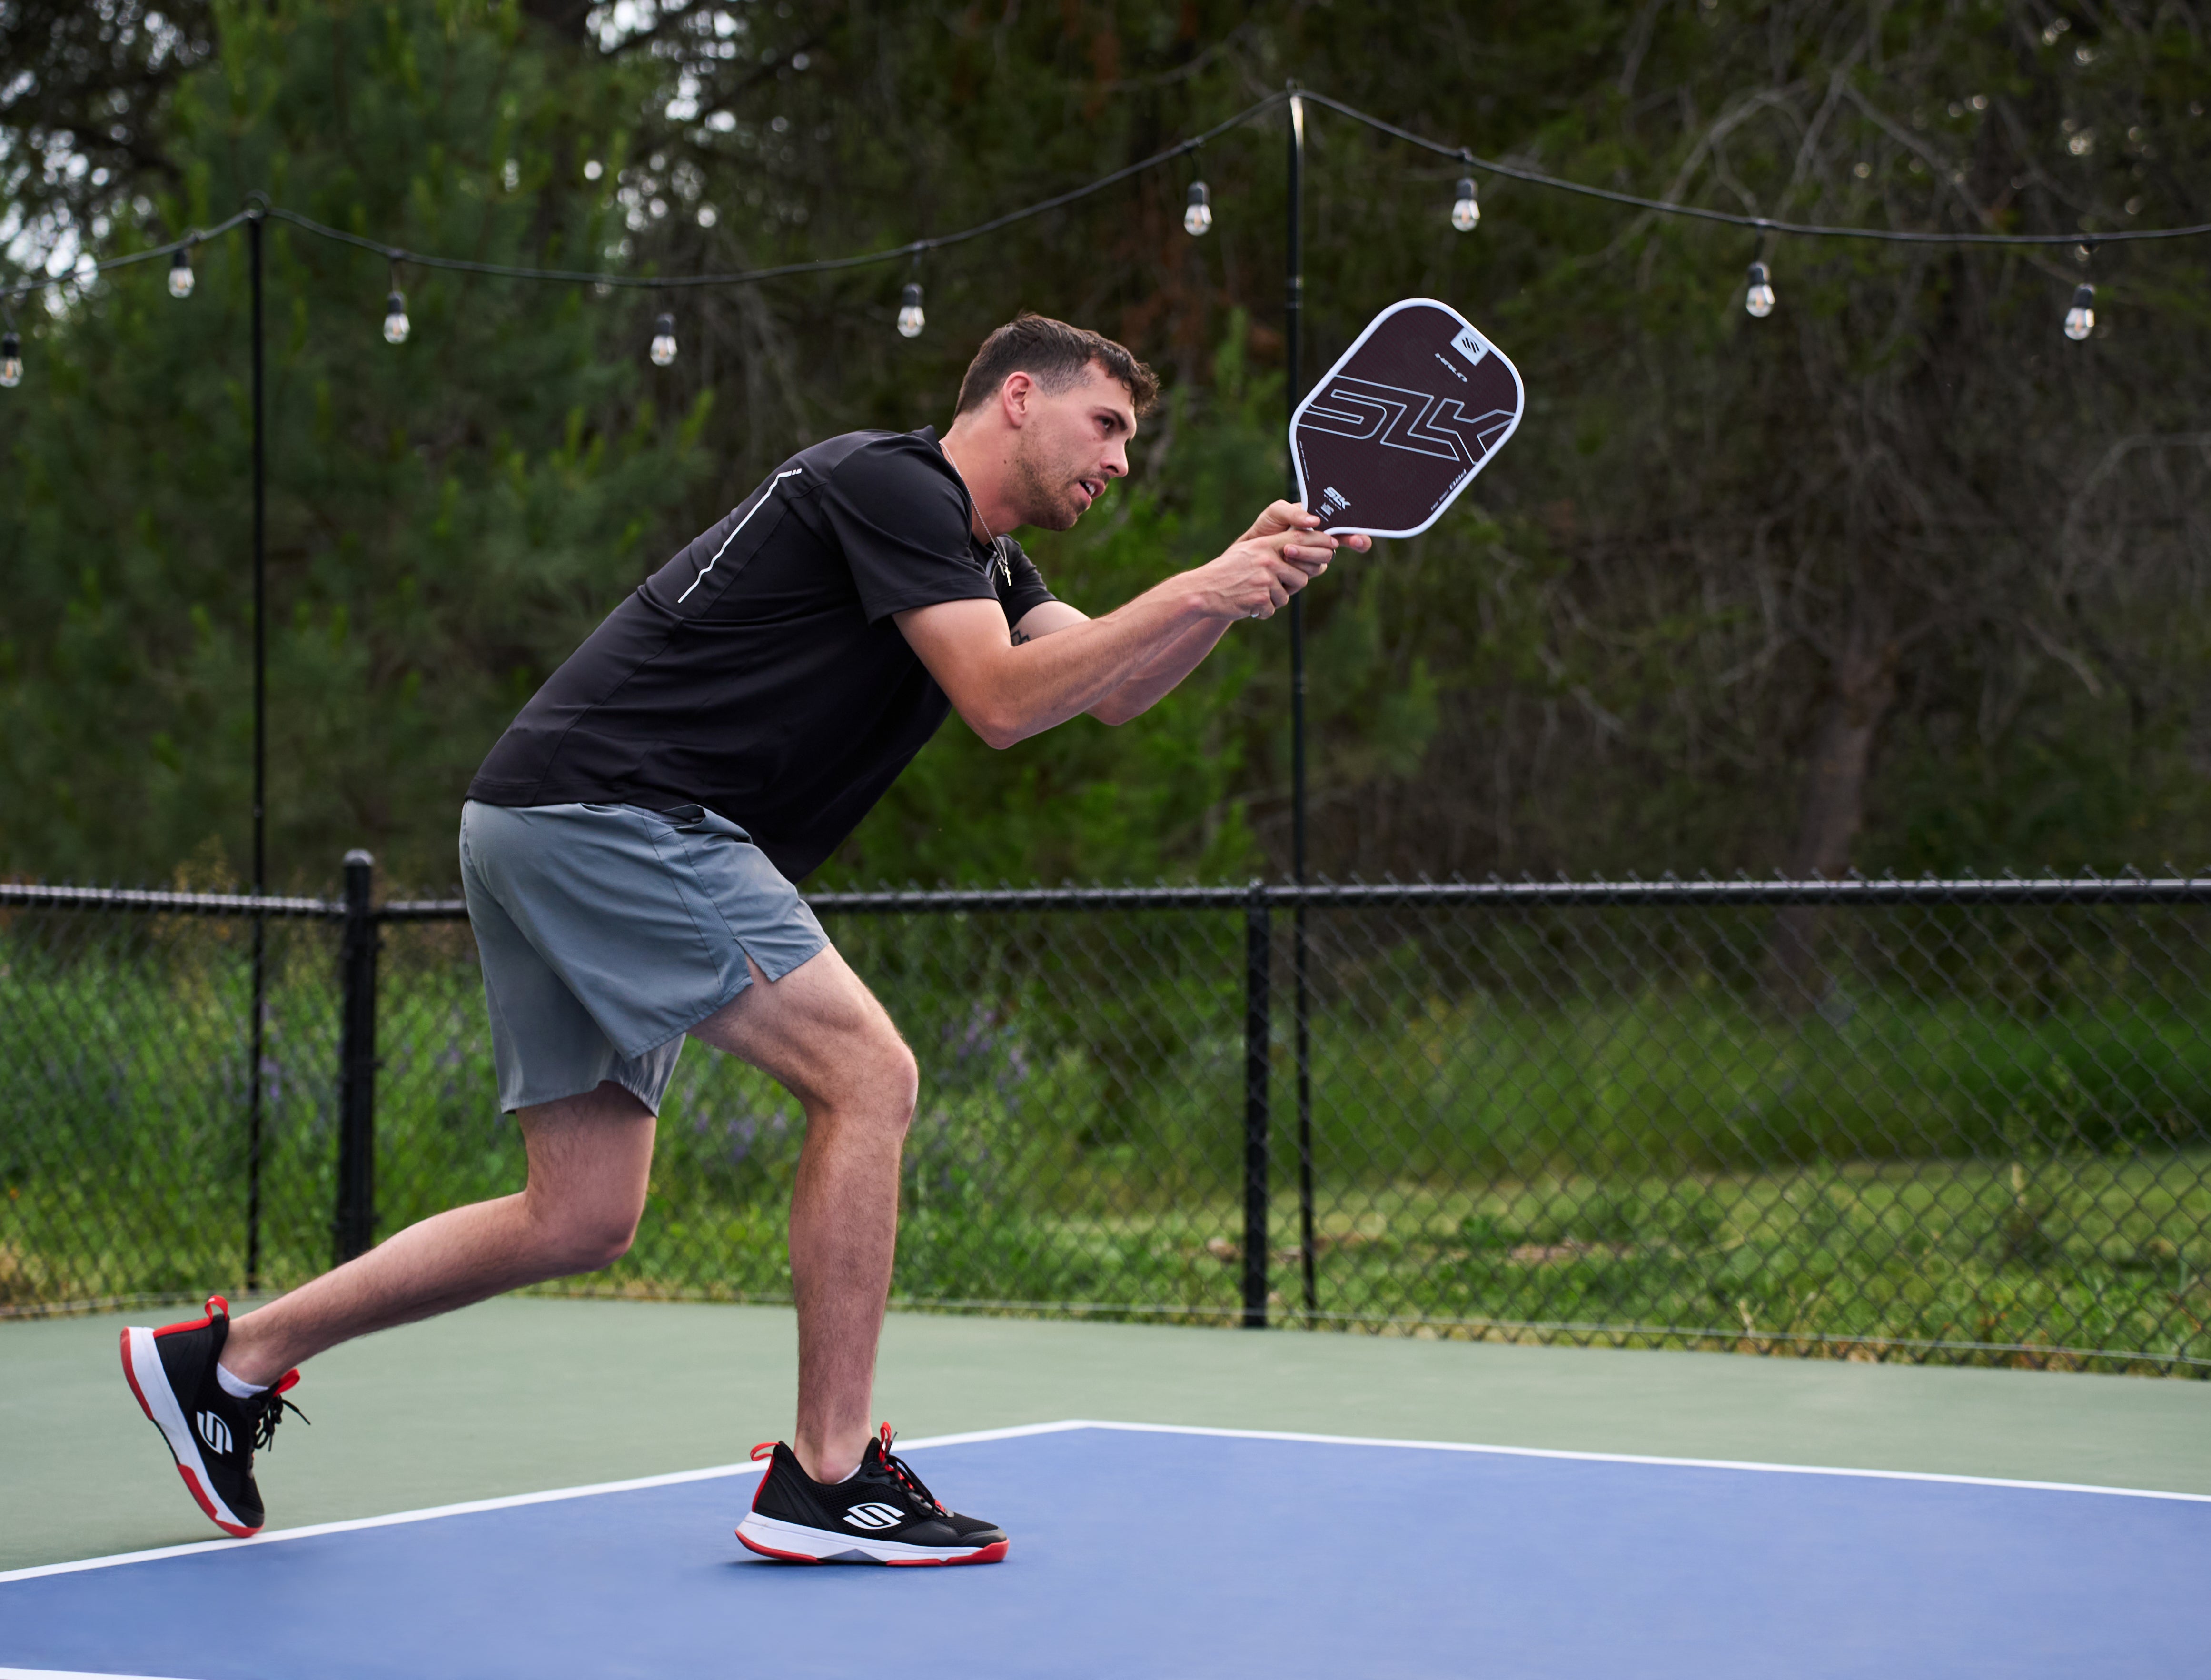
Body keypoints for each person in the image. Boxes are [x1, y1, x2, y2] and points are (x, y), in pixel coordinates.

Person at [120, 313, 1366, 1564]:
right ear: (1017, 398)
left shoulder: (982, 563)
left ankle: (227, 1360)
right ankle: (827, 1476)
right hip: (621, 811)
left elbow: (1112, 687)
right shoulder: (893, 483)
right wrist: (1204, 581)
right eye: (1107, 426)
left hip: (531, 814)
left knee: (582, 1213)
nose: (1120, 461)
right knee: (870, 1075)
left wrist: (1241, 582)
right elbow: (997, 700)